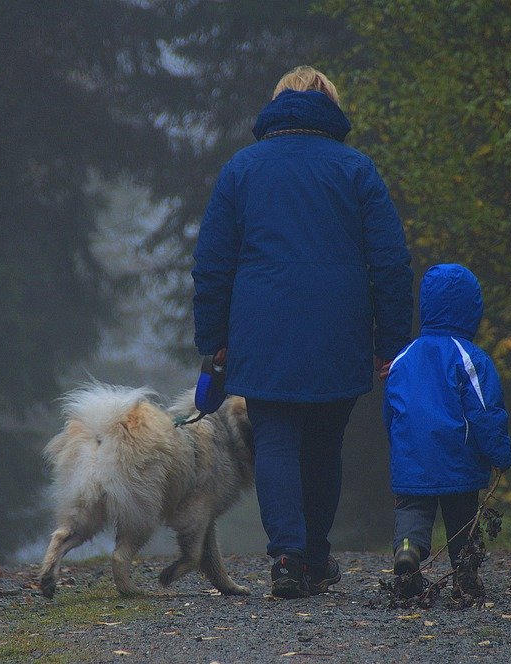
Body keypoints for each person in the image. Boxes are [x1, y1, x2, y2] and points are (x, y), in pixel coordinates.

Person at [192, 66, 414, 599]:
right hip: (339, 330)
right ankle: (315, 557)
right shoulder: (357, 170)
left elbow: (212, 266)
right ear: (330, 107)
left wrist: (214, 339)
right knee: (323, 443)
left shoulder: (241, 170)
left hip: (261, 330)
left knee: (275, 440)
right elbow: (391, 264)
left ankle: (288, 559)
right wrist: (392, 346)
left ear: (276, 106)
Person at [384, 263, 511, 599]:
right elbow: (485, 412)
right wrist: (499, 454)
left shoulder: (403, 358)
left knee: (413, 511)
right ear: (473, 310)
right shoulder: (470, 358)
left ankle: (408, 552)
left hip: (412, 456)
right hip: (458, 458)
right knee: (461, 517)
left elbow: (392, 413)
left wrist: (398, 449)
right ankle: (465, 575)